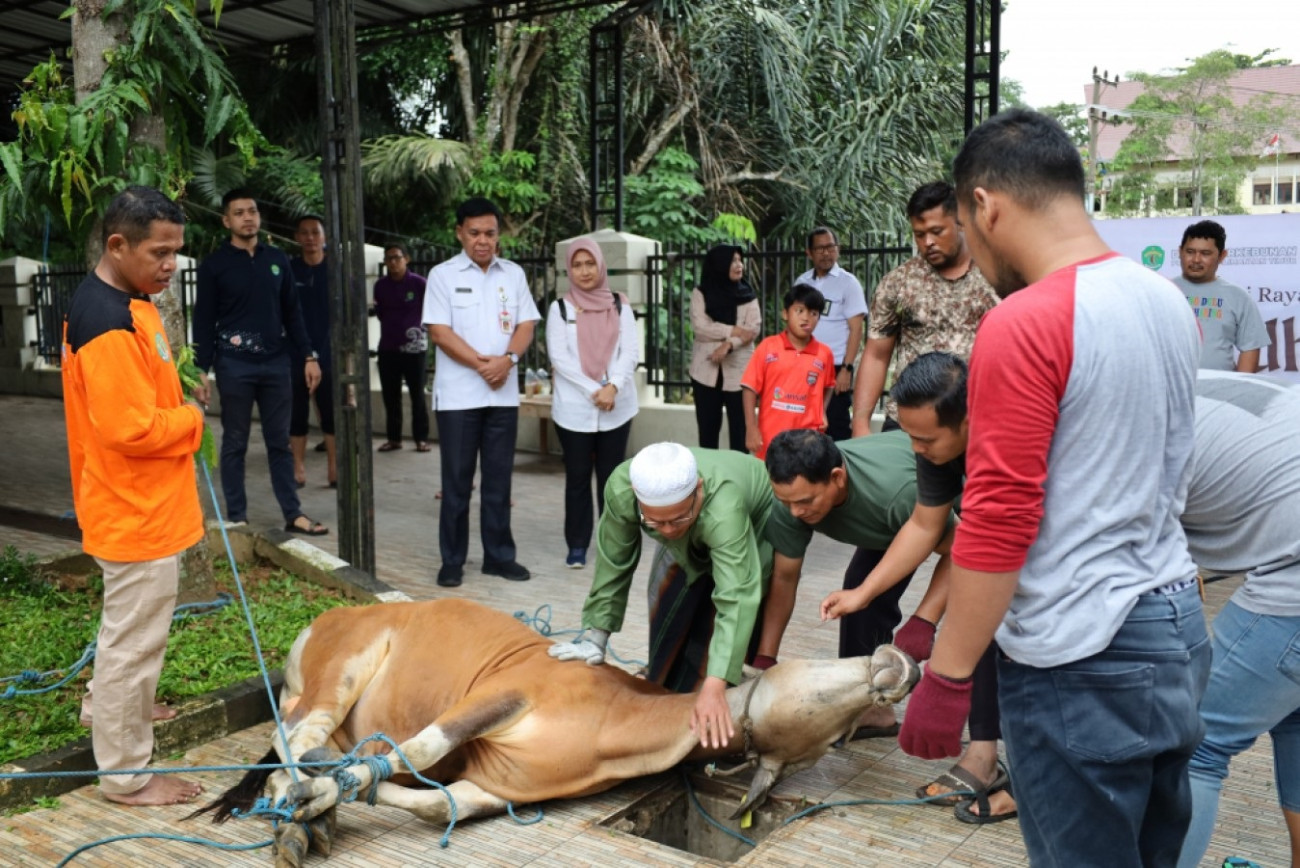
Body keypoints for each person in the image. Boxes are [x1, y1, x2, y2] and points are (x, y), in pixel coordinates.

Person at [898, 108, 1208, 866]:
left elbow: (1000, 519)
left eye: (965, 228)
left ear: (986, 206)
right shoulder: (1163, 298)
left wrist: (947, 675)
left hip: (1081, 656)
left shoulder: (1026, 320)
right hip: (1172, 629)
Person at [821, 352, 1015, 824]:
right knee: (988, 630)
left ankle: (1030, 774)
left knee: (1014, 637)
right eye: (908, 435)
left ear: (971, 420)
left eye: (924, 438)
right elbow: (926, 527)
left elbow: (985, 552)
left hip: (1071, 549)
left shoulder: (1012, 445)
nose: (914, 449)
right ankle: (985, 757)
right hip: (1002, 541)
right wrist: (864, 593)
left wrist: (945, 672)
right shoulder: (936, 448)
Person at [60, 185, 205, 805]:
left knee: (131, 635)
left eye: (176, 251)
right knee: (132, 643)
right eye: (159, 252)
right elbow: (132, 427)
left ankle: (117, 710)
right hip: (133, 510)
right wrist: (193, 418)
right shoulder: (108, 321)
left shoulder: (130, 301)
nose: (170, 263)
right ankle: (125, 774)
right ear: (117, 246)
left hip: (144, 504)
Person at [548, 442, 775, 749]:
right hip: (694, 521)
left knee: (727, 623)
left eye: (676, 519)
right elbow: (614, 560)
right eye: (655, 522)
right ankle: (665, 692)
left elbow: (735, 597)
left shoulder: (724, 508)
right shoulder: (622, 489)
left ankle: (722, 712)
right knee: (669, 603)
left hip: (755, 516)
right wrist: (596, 638)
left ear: (698, 489)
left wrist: (716, 682)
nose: (667, 531)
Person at [1175, 371, 1300, 868]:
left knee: (1196, 745)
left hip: (1294, 590)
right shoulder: (1189, 378)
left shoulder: (1123, 421)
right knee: (1293, 718)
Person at [759, 429, 951, 737]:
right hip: (889, 520)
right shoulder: (790, 500)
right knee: (859, 590)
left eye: (806, 501)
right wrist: (766, 657)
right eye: (787, 502)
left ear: (837, 477)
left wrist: (924, 621)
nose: (796, 512)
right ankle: (872, 709)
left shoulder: (895, 493)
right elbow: (784, 577)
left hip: (967, 508)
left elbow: (963, 549)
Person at [192, 189, 327, 536]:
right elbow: (203, 322)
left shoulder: (277, 259)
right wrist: (200, 371)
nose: (247, 217)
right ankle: (237, 516)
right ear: (227, 221)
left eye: (252, 210)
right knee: (235, 441)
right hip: (234, 366)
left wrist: (309, 356)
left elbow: (293, 314)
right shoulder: (214, 266)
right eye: (239, 213)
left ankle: (292, 513)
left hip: (276, 364)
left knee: (279, 442)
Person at [423, 197, 539, 587]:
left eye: (490, 233)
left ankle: (499, 557)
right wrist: (483, 365)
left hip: (502, 397)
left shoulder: (514, 275)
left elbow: (526, 325)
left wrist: (506, 360)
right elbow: (439, 332)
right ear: (460, 233)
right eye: (474, 233)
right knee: (457, 482)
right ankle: (452, 560)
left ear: (498, 234)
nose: (483, 241)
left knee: (498, 482)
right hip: (458, 399)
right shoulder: (442, 275)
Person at [850, 181, 997, 436]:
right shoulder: (899, 283)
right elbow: (876, 354)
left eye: (936, 231)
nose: (928, 242)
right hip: (908, 423)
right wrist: (861, 422)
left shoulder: (997, 277)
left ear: (960, 221)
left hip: (977, 421)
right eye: (919, 234)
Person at [546, 238, 639, 569]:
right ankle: (577, 545)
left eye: (590, 264)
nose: (584, 271)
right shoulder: (560, 309)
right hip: (574, 410)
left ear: (600, 266)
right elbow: (560, 358)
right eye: (577, 265)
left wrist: (612, 386)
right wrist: (595, 390)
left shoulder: (619, 304)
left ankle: (612, 545)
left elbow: (629, 352)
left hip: (618, 407)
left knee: (613, 480)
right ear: (569, 269)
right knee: (577, 478)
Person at [740, 283, 835, 459]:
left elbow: (829, 384)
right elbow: (749, 387)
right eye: (799, 311)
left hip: (808, 441)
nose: (806, 318)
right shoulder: (768, 347)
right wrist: (751, 428)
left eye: (813, 313)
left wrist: (822, 411)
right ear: (785, 314)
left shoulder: (825, 354)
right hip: (770, 440)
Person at [796, 227, 867, 440]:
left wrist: (847, 368)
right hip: (804, 365)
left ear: (838, 249)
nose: (826, 253)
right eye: (820, 248)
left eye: (830, 247)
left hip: (835, 367)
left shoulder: (848, 283)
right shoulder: (802, 282)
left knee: (836, 426)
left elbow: (856, 330)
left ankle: (838, 471)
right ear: (809, 252)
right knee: (804, 424)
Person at [1172, 219, 1270, 373]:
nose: (1196, 259)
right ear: (1180, 252)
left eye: (1205, 253)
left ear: (1222, 256)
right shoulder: (1163, 290)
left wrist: (1239, 389)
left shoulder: (1238, 297)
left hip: (1218, 392)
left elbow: (1250, 348)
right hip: (1170, 392)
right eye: (1190, 252)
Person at [690, 244, 760, 451]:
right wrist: (734, 330)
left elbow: (753, 329)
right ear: (719, 265)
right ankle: (709, 479)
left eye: (740, 260)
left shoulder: (748, 294)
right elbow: (700, 327)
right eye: (732, 261)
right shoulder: (700, 293)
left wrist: (730, 343)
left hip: (740, 372)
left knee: (740, 433)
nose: (739, 265)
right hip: (704, 372)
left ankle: (739, 479)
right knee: (708, 433)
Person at [288, 214, 336, 488]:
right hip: (296, 352)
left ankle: (334, 468)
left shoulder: (336, 271)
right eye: (304, 233)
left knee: (330, 413)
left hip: (330, 352)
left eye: (315, 233)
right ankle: (298, 468)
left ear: (324, 237)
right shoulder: (290, 269)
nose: (310, 238)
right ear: (297, 237)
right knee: (296, 413)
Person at [372, 243, 431, 453]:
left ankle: (421, 438)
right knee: (391, 396)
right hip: (388, 347)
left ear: (407, 259)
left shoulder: (420, 284)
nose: (393, 262)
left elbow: (432, 310)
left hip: (415, 348)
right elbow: (379, 312)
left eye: (397, 257)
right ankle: (394, 438)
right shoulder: (380, 286)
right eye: (389, 259)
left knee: (417, 395)